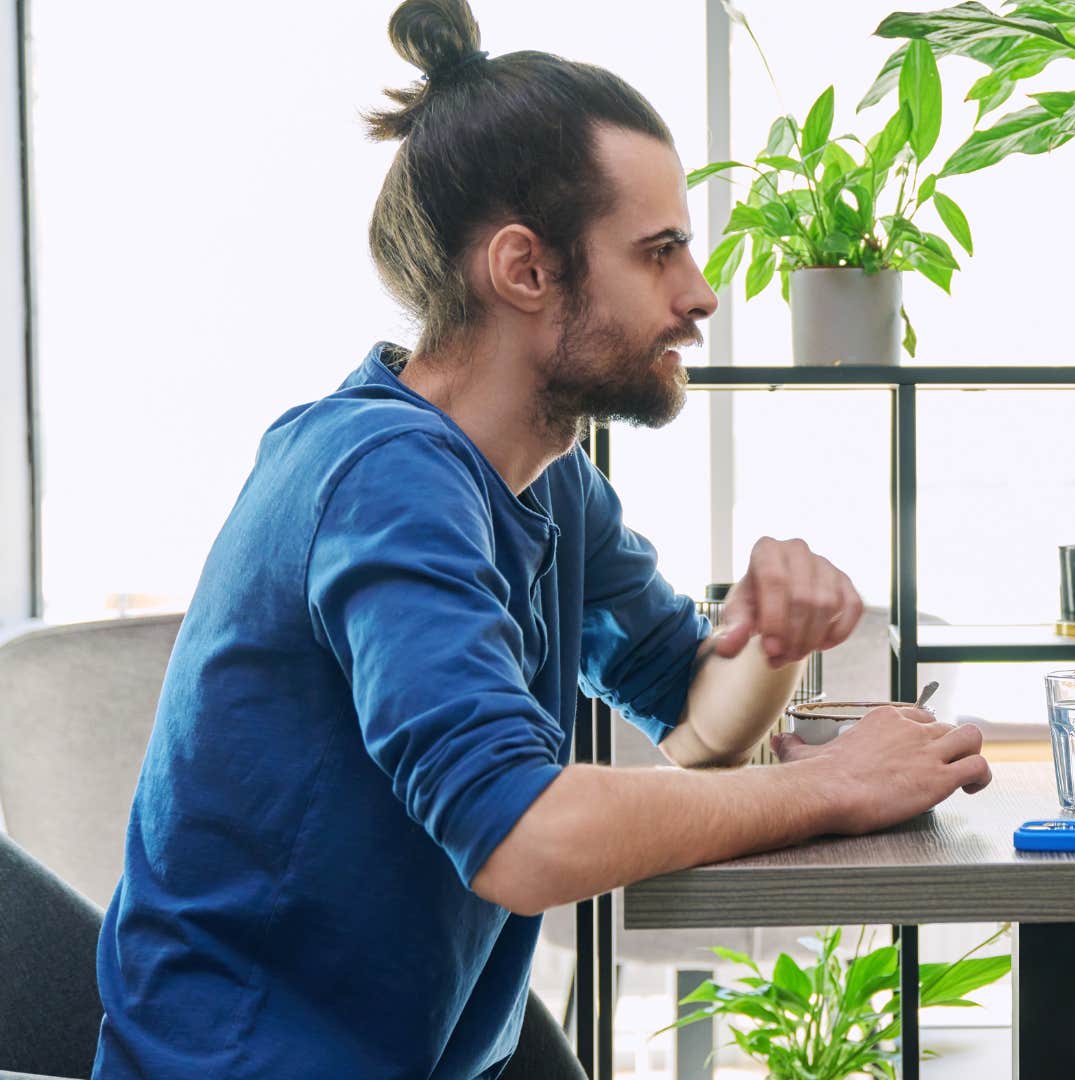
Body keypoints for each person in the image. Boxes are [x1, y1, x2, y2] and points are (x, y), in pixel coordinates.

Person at [91, 2, 991, 1076]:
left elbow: (699, 734)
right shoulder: (384, 476)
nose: (700, 296)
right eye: (659, 254)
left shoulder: (550, 488)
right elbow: (525, 838)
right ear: (525, 269)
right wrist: (836, 785)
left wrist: (766, 643)